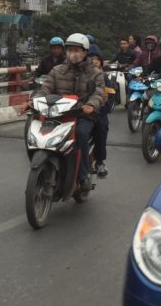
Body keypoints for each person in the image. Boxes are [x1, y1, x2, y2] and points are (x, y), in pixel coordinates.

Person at [35, 34, 105, 193]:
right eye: (70, 50)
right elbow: (45, 89)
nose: (73, 53)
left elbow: (99, 93)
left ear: (85, 52)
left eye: (77, 50)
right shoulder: (57, 70)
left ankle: (83, 175)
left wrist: (90, 105)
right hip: (58, 113)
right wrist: (33, 101)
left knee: (81, 133)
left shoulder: (95, 72)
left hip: (83, 114)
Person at [87, 44, 115, 178]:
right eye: (91, 58)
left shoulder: (106, 80)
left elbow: (109, 100)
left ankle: (99, 162)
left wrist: (98, 111)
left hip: (98, 113)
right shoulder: (80, 75)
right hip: (80, 111)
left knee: (101, 128)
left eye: (97, 59)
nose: (94, 61)